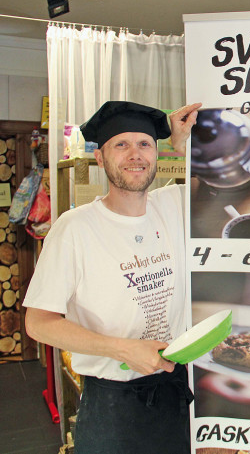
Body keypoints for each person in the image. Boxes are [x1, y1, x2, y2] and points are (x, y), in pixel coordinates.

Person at [23, 100, 200, 454]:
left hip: (174, 392)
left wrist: (183, 145)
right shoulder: (74, 228)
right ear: (101, 158)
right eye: (121, 145)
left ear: (157, 154)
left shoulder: (174, 204)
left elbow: (222, 186)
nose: (135, 155)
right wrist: (124, 349)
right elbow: (38, 323)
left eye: (144, 144)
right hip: (112, 403)